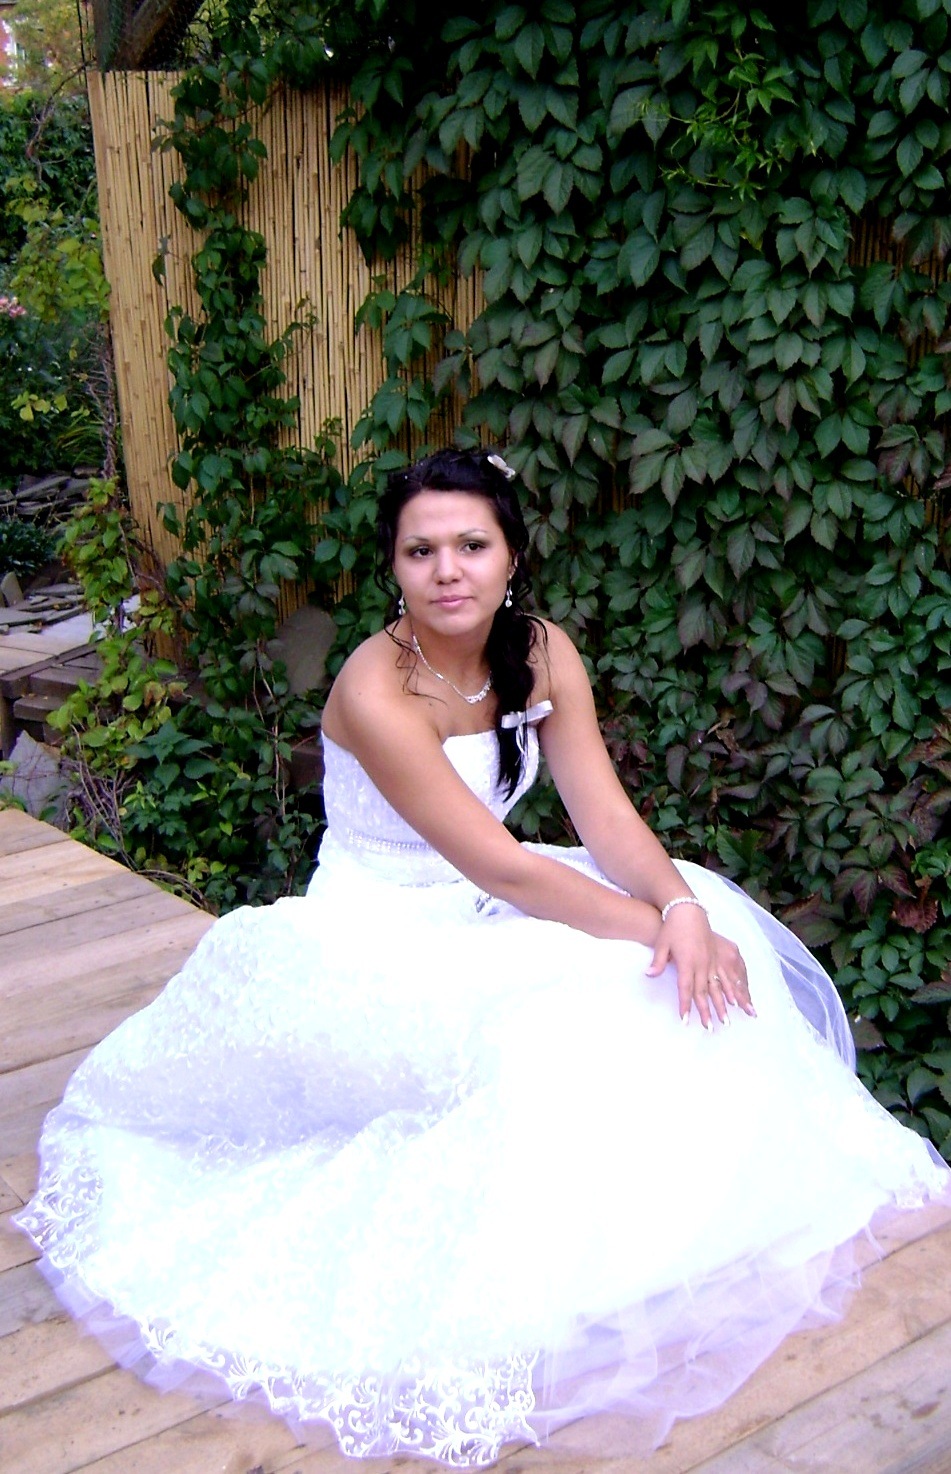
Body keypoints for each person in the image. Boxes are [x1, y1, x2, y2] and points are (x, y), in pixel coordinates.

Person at [16, 448, 951, 1466]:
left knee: (699, 962)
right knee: (565, 1023)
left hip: (492, 905)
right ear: (393, 568)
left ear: (511, 556)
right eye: (420, 551)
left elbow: (602, 818)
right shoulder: (375, 687)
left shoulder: (541, 652)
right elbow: (503, 866)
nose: (447, 570)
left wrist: (680, 907)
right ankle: (548, 1278)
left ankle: (653, 1243)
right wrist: (653, 929)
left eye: (471, 545)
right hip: (381, 934)